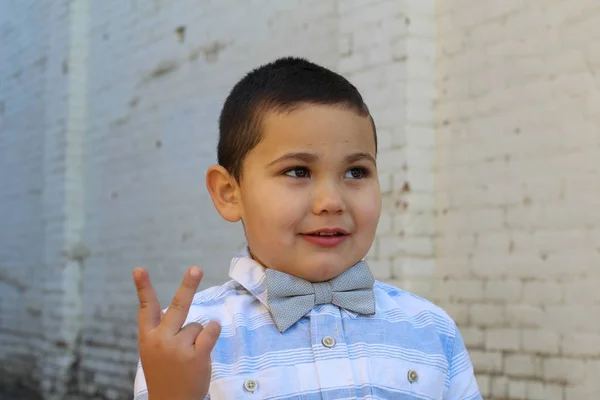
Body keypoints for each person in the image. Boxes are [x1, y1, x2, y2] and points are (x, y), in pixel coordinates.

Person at [132, 57, 482, 400]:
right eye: (298, 171)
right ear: (229, 193)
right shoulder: (185, 340)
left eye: (356, 172)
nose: (331, 201)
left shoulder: (431, 329)